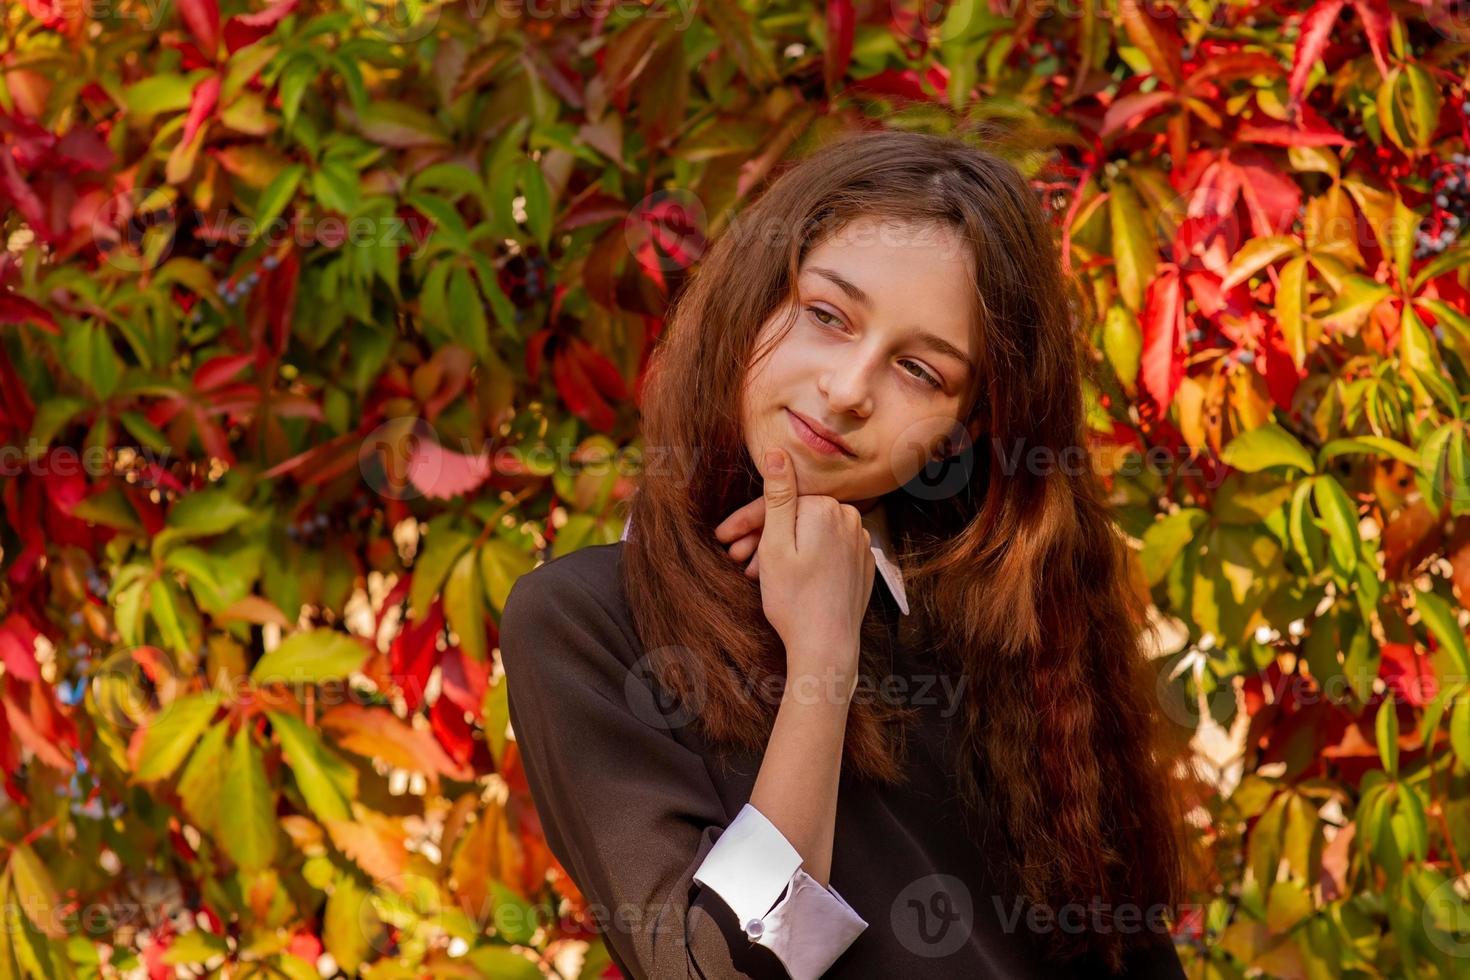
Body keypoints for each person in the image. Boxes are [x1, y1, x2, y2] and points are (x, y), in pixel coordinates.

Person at [499, 128, 1196, 978]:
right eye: (827, 316)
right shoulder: (587, 622)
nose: (848, 389)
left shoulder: (1002, 627)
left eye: (920, 372)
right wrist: (821, 660)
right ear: (757, 296)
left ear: (960, 430)